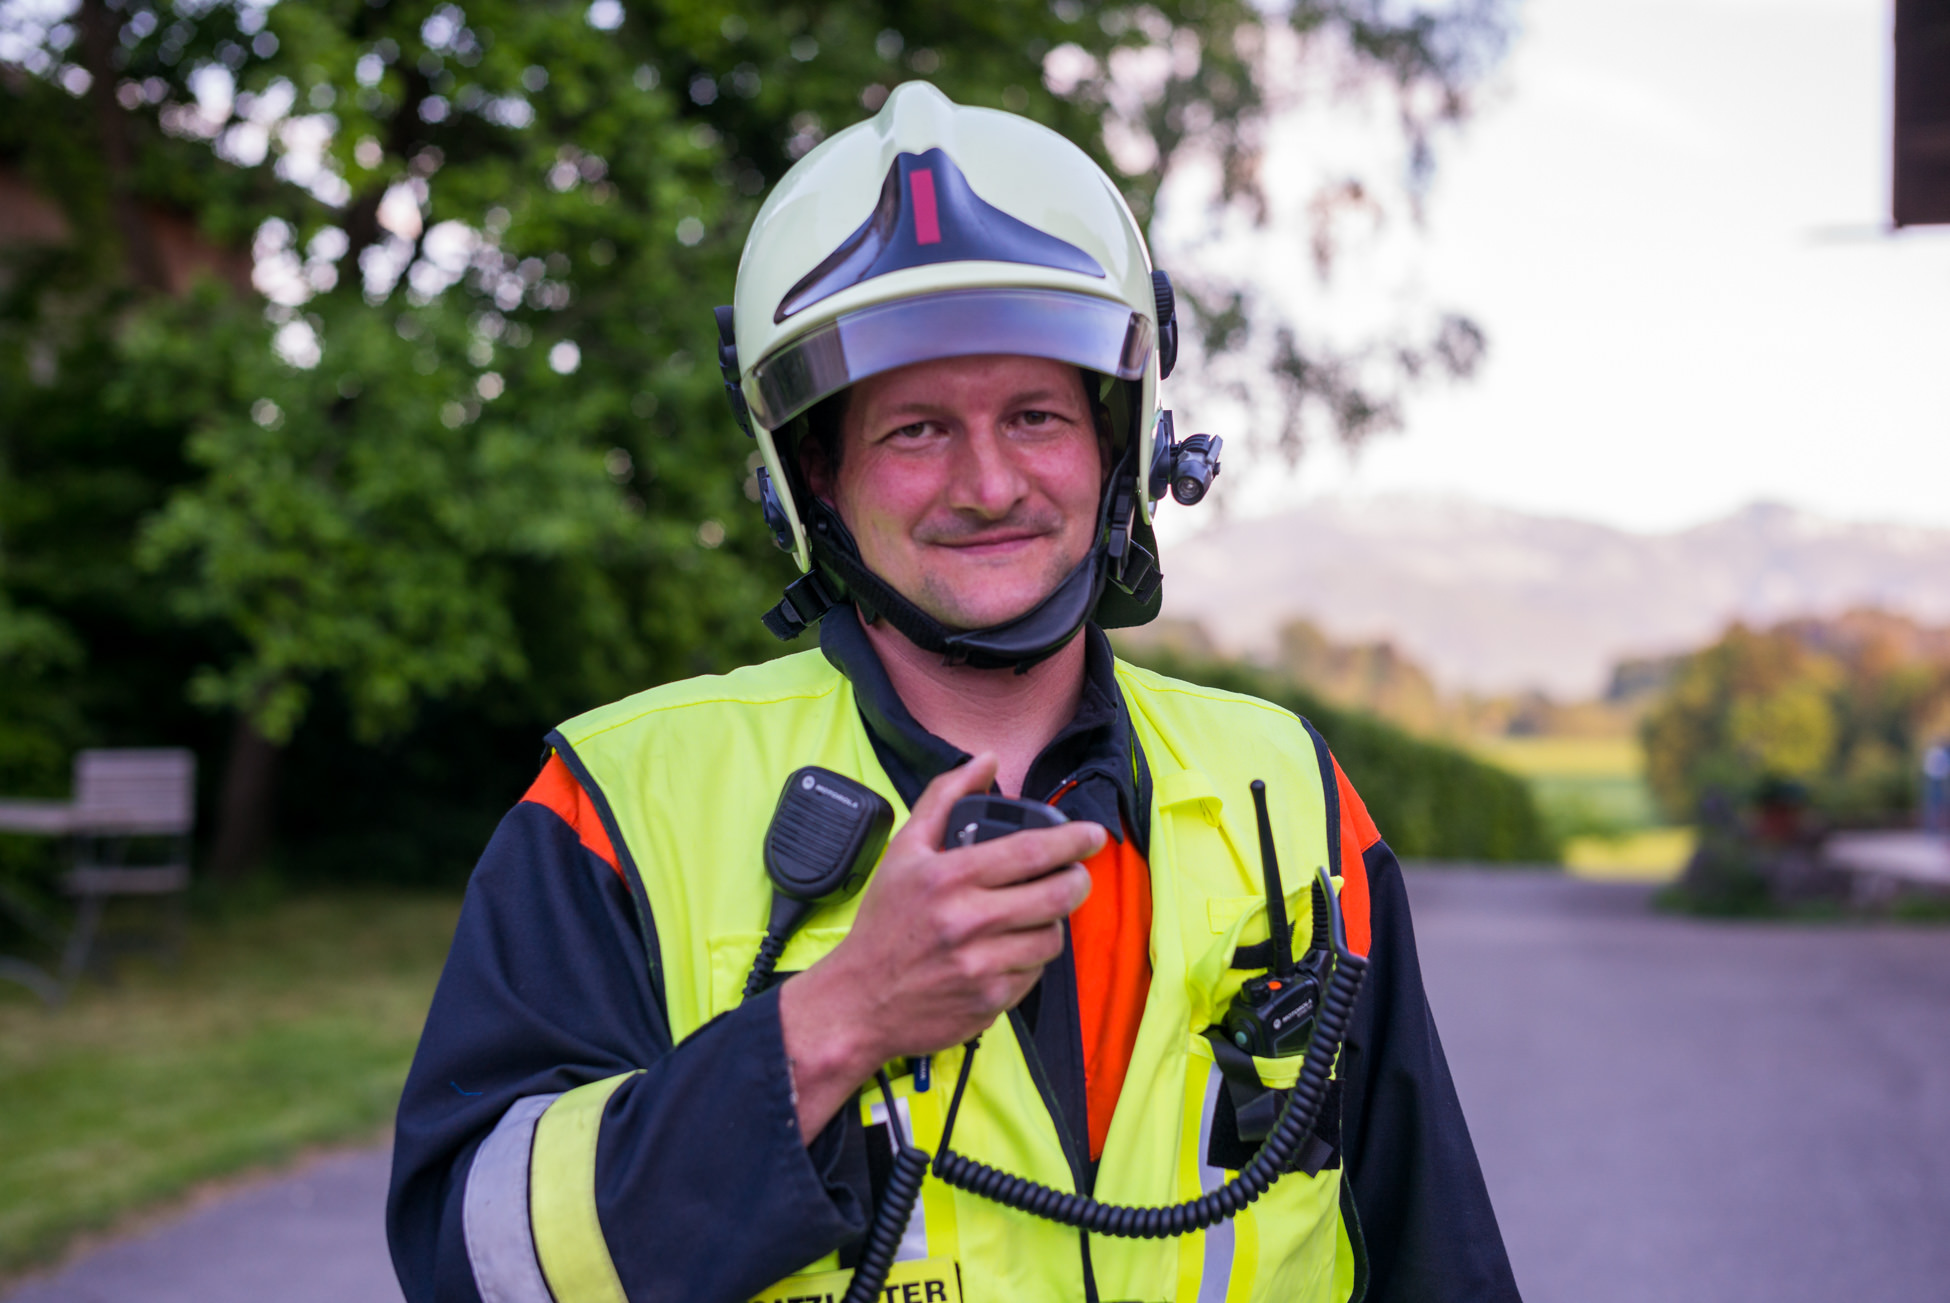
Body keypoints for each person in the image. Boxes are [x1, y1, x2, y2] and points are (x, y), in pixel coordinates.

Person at [387, 82, 1519, 1303]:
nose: (989, 484)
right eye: (917, 429)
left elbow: (1434, 1252)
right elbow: (477, 1264)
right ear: (814, 475)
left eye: (1034, 415)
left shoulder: (1286, 788)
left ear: (1118, 442)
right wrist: (832, 1024)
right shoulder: (622, 802)